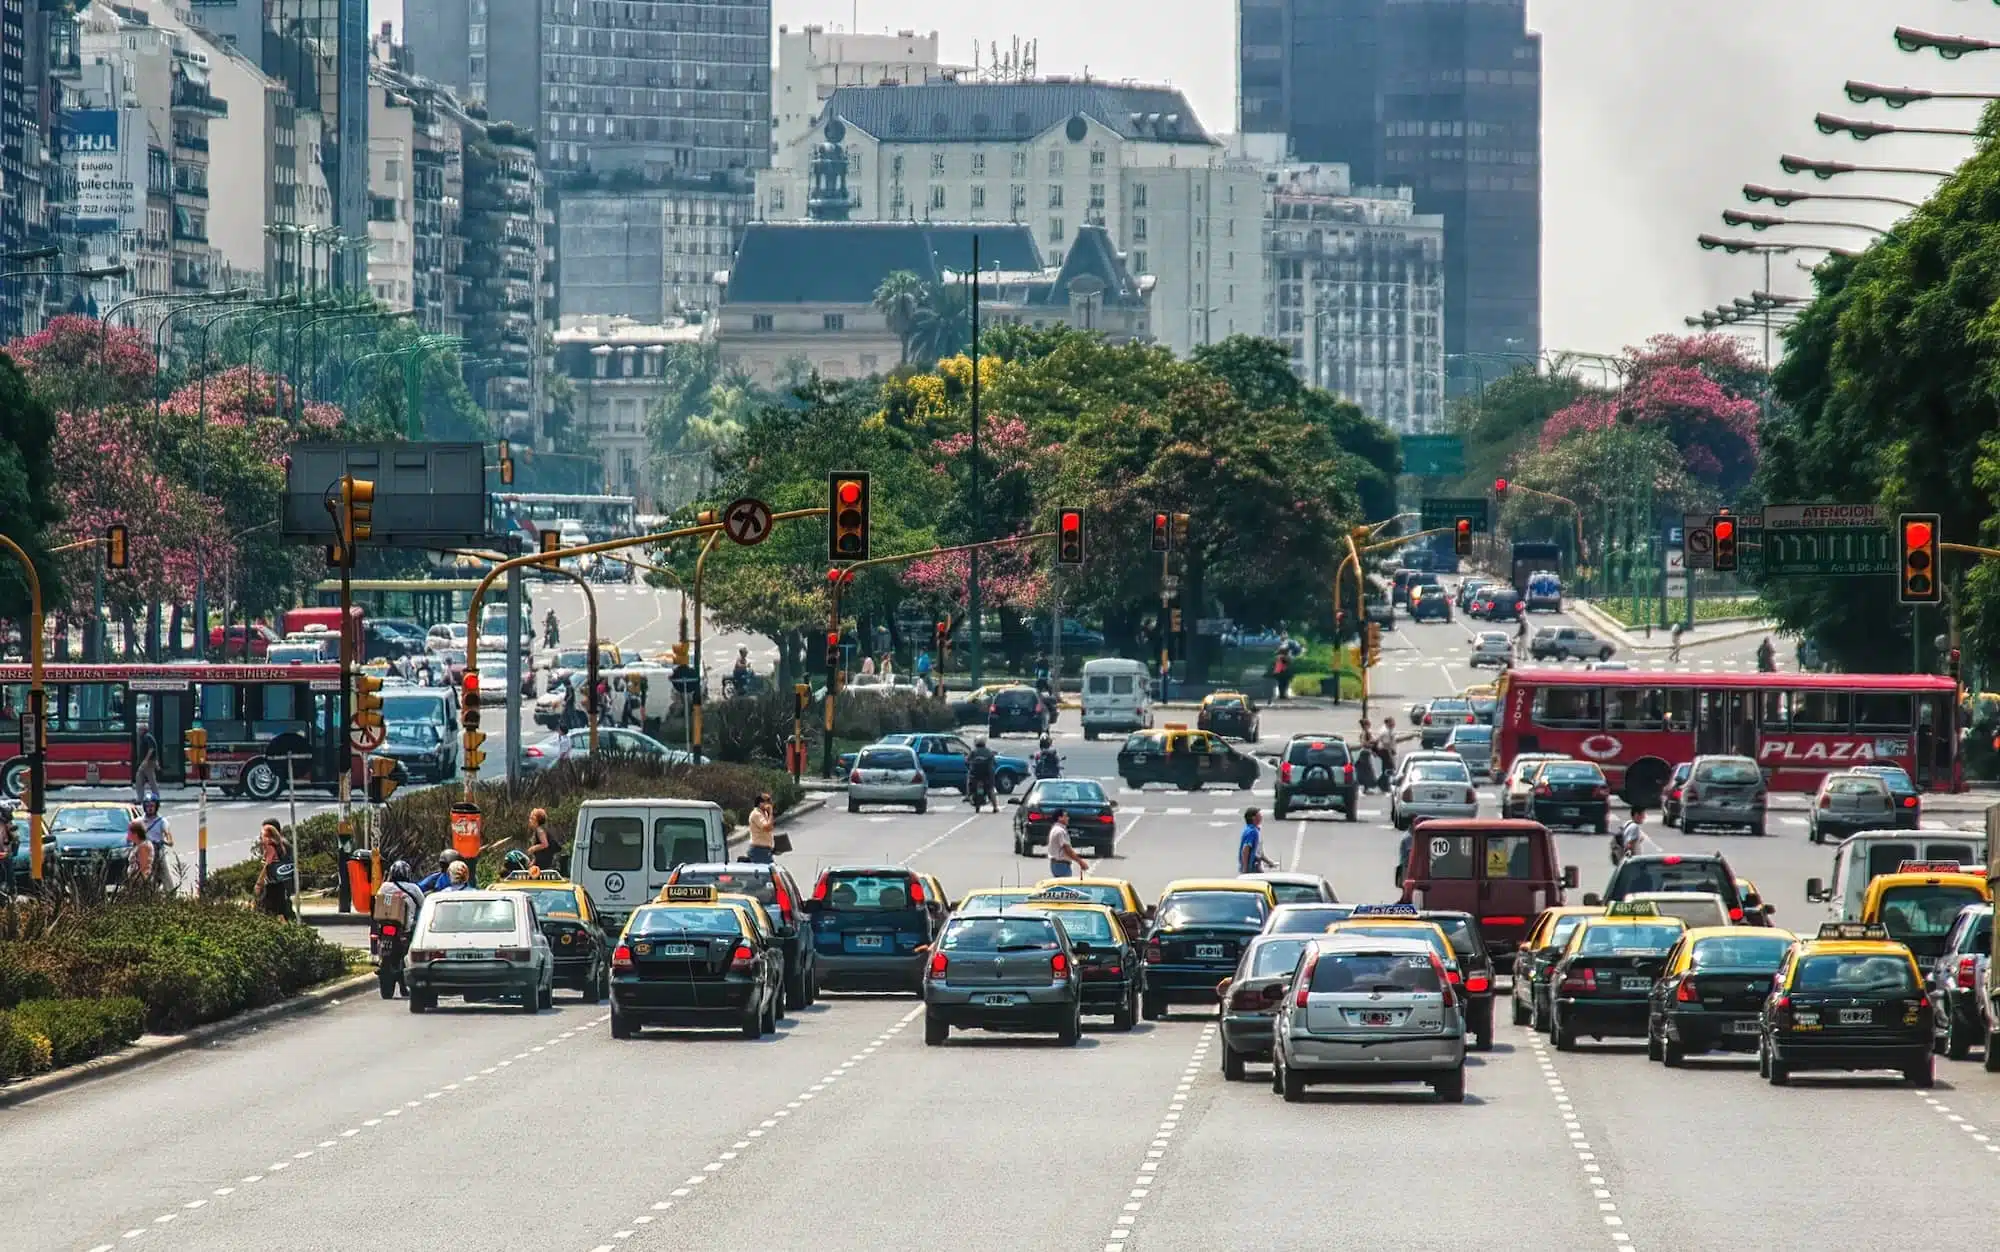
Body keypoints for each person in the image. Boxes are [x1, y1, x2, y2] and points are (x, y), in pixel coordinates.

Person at [372, 860, 425, 996]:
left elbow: (378, 900)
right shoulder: (413, 888)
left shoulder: (385, 886)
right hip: (404, 928)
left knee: (376, 936)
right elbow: (424, 905)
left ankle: (376, 956)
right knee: (411, 951)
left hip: (384, 924)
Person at [255, 820, 293, 920]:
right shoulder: (282, 844)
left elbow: (267, 866)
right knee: (281, 912)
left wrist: (259, 883)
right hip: (281, 883)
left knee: (267, 911)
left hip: (273, 883)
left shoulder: (271, 847)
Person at [1045, 809, 1089, 879]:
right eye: (1065, 816)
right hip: (1061, 865)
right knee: (1065, 887)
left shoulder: (1055, 829)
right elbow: (1067, 849)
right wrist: (1080, 862)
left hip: (1057, 864)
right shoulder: (1060, 831)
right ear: (1060, 818)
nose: (1068, 818)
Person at [140, 797, 173, 886]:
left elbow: (168, 835)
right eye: (147, 806)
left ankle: (171, 895)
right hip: (145, 853)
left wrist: (165, 841)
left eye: (152, 806)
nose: (150, 808)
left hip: (158, 851)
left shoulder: (162, 821)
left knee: (165, 875)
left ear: (156, 807)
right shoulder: (140, 821)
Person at [1238, 808, 1275, 874]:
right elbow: (1245, 849)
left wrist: (1269, 862)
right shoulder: (1252, 831)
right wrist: (1245, 868)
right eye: (1259, 815)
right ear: (1254, 818)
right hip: (1252, 867)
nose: (1261, 816)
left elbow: (1259, 852)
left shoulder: (1254, 830)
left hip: (1256, 866)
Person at [966, 738, 998, 812]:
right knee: (991, 790)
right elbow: (994, 762)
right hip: (987, 775)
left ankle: (967, 795)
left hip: (975, 775)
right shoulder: (988, 751)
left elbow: (967, 761)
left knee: (969, 781)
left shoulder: (973, 751)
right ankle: (995, 807)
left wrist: (970, 766)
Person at [524, 808, 559, 872]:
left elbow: (545, 844)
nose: (529, 820)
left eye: (531, 818)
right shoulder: (538, 830)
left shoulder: (540, 830)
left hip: (546, 864)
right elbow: (539, 852)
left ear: (536, 820)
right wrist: (533, 863)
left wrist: (533, 848)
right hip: (541, 863)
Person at [747, 793, 777, 864]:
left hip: (766, 849)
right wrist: (771, 812)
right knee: (767, 872)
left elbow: (770, 827)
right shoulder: (756, 814)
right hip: (759, 849)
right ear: (760, 803)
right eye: (767, 801)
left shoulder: (764, 814)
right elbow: (766, 827)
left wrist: (769, 814)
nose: (770, 804)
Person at [133, 724, 160, 803]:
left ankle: (156, 798)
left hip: (148, 763)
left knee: (151, 781)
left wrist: (145, 760)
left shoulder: (147, 737)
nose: (138, 731)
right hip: (146, 762)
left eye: (139, 729)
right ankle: (140, 798)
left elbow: (151, 749)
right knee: (139, 779)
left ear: (143, 730)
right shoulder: (145, 737)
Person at [1375, 719, 1399, 794]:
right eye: (1392, 723)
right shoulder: (1385, 731)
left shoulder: (1388, 729)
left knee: (1386, 769)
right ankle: (1382, 784)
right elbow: (1386, 744)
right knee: (1389, 769)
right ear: (1388, 723)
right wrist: (1391, 752)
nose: (1393, 725)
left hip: (1385, 751)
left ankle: (1383, 784)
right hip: (1384, 751)